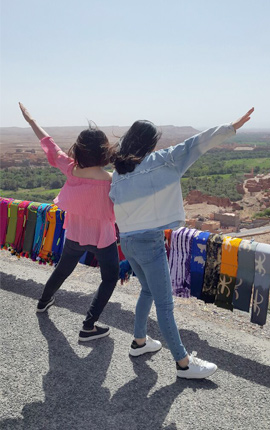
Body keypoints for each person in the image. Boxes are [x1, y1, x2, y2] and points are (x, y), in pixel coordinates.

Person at [109, 108, 254, 379]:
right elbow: (196, 143)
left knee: (147, 292)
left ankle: (139, 342)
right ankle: (183, 363)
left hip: (127, 242)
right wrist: (230, 127)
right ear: (150, 143)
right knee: (164, 304)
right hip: (149, 243)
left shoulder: (118, 173)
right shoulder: (163, 160)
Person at [19, 103, 119, 341]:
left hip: (74, 234)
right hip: (102, 239)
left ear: (80, 150)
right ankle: (89, 326)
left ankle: (43, 301)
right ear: (103, 151)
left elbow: (50, 146)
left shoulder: (71, 169)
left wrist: (32, 121)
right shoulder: (112, 180)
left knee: (63, 269)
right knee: (110, 277)